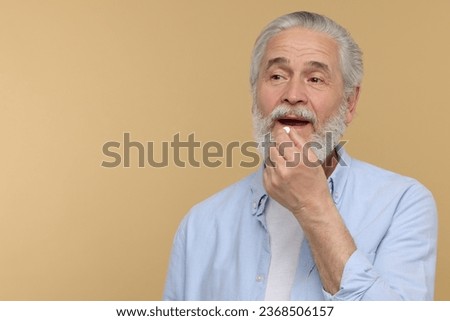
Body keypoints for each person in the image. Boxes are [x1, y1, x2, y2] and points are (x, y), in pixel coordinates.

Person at [163, 11, 438, 300]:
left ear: (350, 102)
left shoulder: (403, 205)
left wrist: (312, 204)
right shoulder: (199, 225)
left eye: (315, 79)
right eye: (277, 76)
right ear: (254, 94)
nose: (293, 94)